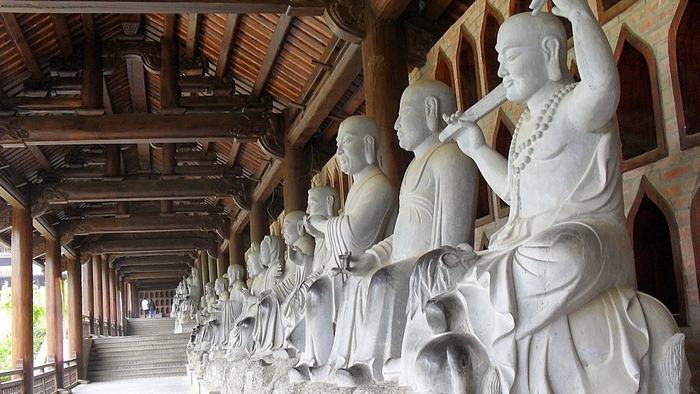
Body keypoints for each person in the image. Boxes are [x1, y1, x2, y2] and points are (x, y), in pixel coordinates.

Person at [403, 2, 689, 393]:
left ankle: (465, 308)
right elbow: (513, 195)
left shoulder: (577, 106)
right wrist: (476, 148)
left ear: (551, 53)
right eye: (498, 60)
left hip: (590, 239)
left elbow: (604, 86)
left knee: (561, 252)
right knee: (457, 260)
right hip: (522, 241)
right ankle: (465, 307)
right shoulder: (525, 126)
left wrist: (580, 14)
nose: (501, 71)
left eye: (510, 57)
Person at [331, 80, 478, 386]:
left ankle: (375, 365)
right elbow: (401, 235)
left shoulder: (451, 158)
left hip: (432, 263)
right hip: (406, 261)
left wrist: (428, 269)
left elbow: (452, 236)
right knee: (366, 277)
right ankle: (367, 359)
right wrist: (371, 256)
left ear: (430, 110)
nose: (395, 125)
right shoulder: (413, 169)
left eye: (403, 114)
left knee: (385, 280)